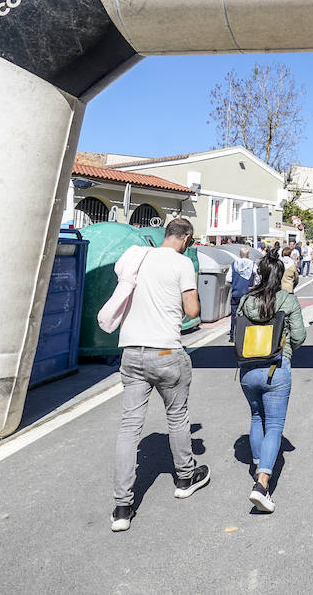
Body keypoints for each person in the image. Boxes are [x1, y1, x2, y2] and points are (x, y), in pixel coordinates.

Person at [110, 217, 210, 533]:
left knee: (129, 428)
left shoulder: (138, 257)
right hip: (165, 351)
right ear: (187, 238)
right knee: (177, 418)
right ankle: (185, 477)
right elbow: (193, 311)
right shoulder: (182, 264)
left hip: (131, 350)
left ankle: (122, 508)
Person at [236, 253, 307, 513]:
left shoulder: (245, 300)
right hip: (276, 368)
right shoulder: (287, 299)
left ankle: (258, 465)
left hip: (247, 370)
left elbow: (235, 333)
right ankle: (262, 484)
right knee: (274, 425)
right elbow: (299, 336)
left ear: (260, 274)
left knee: (257, 417)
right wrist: (286, 347)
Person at [227, 247, 255, 340]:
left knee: (234, 315)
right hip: (248, 293)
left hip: (236, 293)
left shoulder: (234, 264)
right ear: (248, 254)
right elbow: (258, 278)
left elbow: (228, 279)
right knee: (248, 315)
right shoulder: (253, 264)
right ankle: (246, 335)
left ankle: (233, 335)